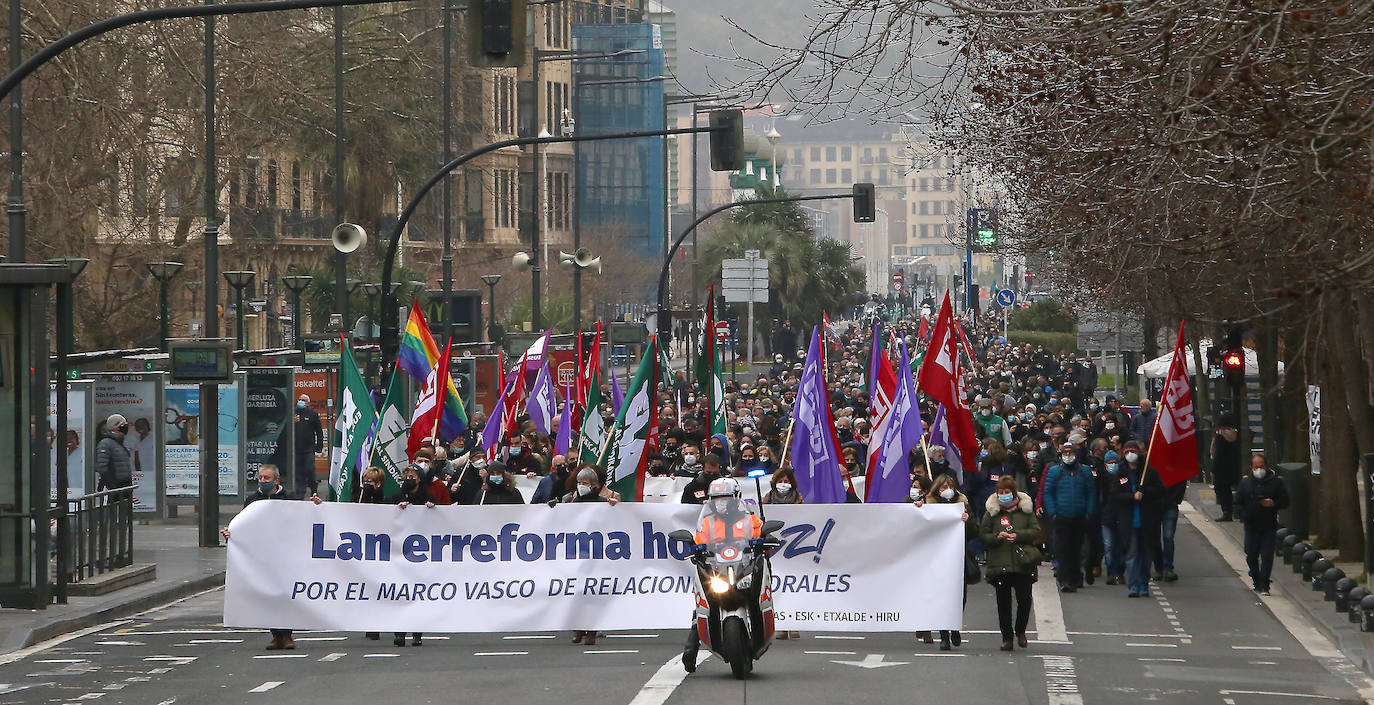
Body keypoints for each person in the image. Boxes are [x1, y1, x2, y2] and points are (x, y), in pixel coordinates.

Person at [220, 464, 320, 650]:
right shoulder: (252, 500)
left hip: (285, 555)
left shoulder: (289, 498)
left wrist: (316, 507)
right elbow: (244, 524)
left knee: (285, 595)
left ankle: (287, 635)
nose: (263, 481)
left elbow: (303, 519)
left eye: (266, 478)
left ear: (276, 479)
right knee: (268, 595)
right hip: (262, 555)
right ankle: (276, 635)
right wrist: (231, 534)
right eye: (260, 478)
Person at [683, 478, 761, 673]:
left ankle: (759, 630)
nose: (721, 502)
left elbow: (760, 533)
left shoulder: (748, 518)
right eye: (716, 498)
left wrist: (764, 541)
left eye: (725, 498)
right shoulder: (707, 522)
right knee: (704, 604)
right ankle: (690, 649)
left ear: (736, 498)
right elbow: (698, 539)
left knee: (757, 594)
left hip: (743, 568)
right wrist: (696, 548)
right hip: (717, 569)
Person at [980, 476, 1040, 651]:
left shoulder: (1025, 511)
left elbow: (1036, 531)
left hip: (1023, 562)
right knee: (1003, 603)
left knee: (1024, 600)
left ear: (1013, 492)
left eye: (1007, 492)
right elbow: (983, 535)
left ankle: (1020, 630)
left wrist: (1019, 535)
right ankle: (1007, 637)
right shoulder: (992, 513)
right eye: (1000, 492)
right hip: (1000, 563)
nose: (1003, 495)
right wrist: (997, 537)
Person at [564, 466, 618, 645]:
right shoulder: (570, 502)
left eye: (585, 483)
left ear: (594, 485)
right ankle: (578, 628)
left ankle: (592, 631)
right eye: (579, 483)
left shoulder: (603, 502)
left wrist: (614, 507)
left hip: (596, 554)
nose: (581, 486)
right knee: (576, 592)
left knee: (593, 592)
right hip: (576, 553)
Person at [1042, 441, 1096, 593]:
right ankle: (1065, 579)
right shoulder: (1054, 471)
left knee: (1076, 549)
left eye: (1070, 453)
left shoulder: (1084, 471)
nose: (1068, 456)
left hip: (1079, 516)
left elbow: (1091, 492)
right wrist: (1053, 512)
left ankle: (1076, 577)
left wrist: (1089, 512)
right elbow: (1048, 492)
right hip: (1061, 516)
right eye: (1065, 453)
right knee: (1062, 549)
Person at [393, 465, 436, 646]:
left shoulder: (428, 497)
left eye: (413, 476)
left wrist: (432, 508)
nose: (410, 479)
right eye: (407, 476)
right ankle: (399, 633)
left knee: (418, 594)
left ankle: (417, 633)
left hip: (422, 552)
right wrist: (397, 508)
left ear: (420, 479)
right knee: (401, 594)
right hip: (400, 551)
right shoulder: (397, 496)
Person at [927, 474, 970, 651]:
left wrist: (968, 520)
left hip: (958, 556)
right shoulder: (929, 507)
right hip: (938, 559)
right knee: (941, 596)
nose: (947, 490)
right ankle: (944, 635)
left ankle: (954, 626)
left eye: (949, 486)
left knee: (961, 596)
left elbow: (974, 532)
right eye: (943, 487)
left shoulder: (962, 504)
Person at [1236, 453, 1289, 595]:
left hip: (1268, 525)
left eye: (1261, 466)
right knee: (1251, 555)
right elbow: (1238, 501)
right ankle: (1255, 578)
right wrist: (1244, 513)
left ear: (1266, 466)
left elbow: (1285, 501)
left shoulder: (1275, 482)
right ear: (1251, 468)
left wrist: (1273, 503)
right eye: (1256, 467)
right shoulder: (1245, 483)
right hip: (1251, 525)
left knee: (1266, 555)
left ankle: (1264, 584)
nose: (1259, 469)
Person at [1211, 416, 1242, 521]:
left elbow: (1218, 454)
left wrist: (1213, 469)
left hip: (1221, 469)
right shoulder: (1235, 435)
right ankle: (1233, 512)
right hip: (1233, 467)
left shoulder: (1220, 436)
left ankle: (1226, 512)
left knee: (1221, 490)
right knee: (1229, 490)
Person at [293, 394, 324, 496]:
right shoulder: (293, 413)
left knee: (309, 469)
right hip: (296, 449)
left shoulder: (312, 414)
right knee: (298, 471)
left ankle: (313, 489)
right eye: (300, 399)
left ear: (308, 403)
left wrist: (319, 446)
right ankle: (300, 492)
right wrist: (293, 423)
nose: (301, 402)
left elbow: (319, 431)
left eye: (304, 400)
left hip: (309, 449)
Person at [94, 413, 134, 491]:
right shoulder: (106, 443)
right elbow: (102, 467)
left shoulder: (120, 443)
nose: (126, 428)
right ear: (116, 427)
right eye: (123, 425)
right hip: (115, 487)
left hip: (126, 485)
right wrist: (112, 485)